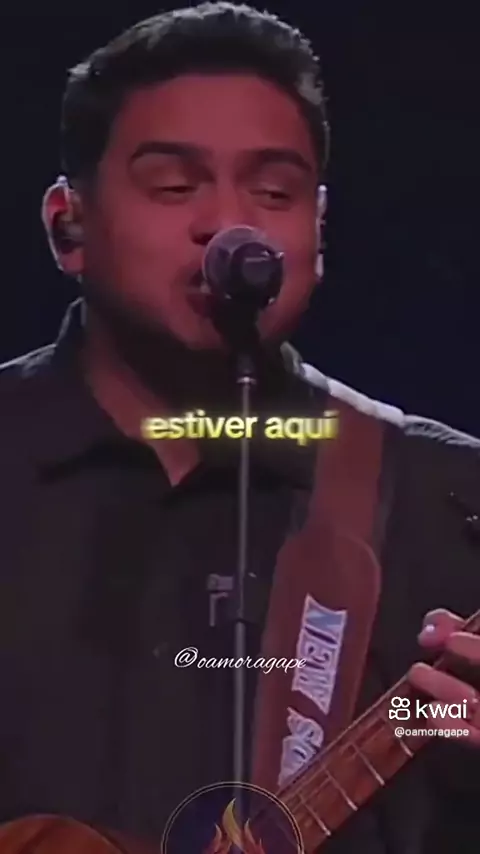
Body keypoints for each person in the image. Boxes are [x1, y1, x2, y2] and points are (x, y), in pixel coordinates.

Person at [1, 3, 480, 852]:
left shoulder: (446, 500)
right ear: (67, 225)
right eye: (174, 185)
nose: (231, 225)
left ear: (318, 232)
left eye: (274, 191)